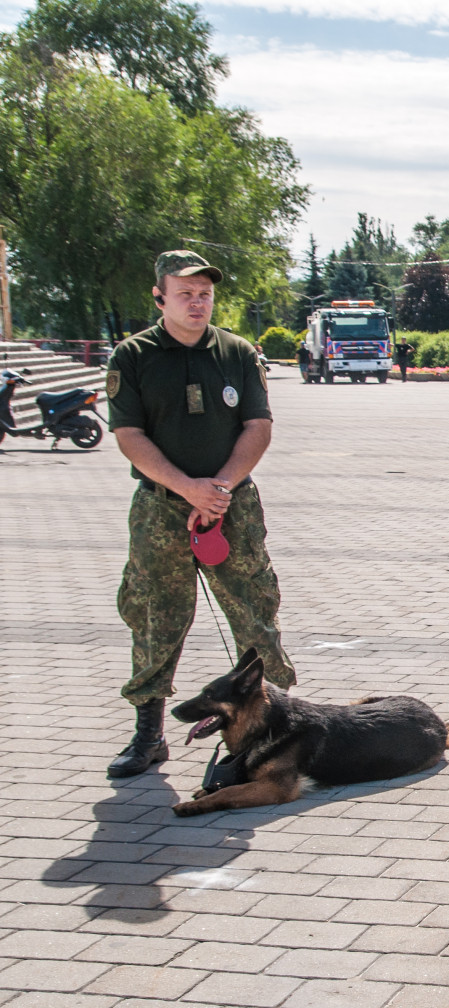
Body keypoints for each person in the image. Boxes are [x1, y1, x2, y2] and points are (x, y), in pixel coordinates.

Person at [103, 250, 298, 777]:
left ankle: (274, 729)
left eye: (205, 293)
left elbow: (258, 426)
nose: (197, 302)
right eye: (185, 293)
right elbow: (129, 435)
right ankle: (148, 735)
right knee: (154, 615)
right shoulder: (133, 356)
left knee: (255, 610)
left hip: (231, 506)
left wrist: (218, 489)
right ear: (159, 296)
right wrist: (188, 489)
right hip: (160, 508)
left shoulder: (236, 353)